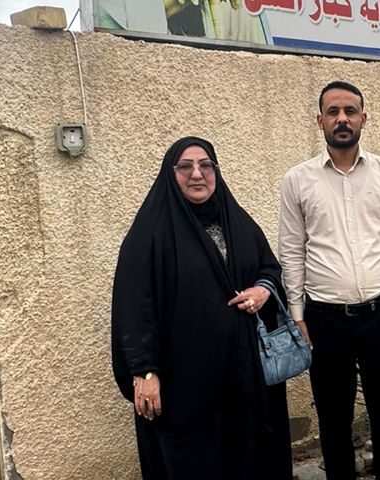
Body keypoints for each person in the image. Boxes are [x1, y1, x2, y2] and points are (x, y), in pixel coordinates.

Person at [110, 136, 292, 480]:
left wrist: (262, 290)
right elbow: (133, 308)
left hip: (243, 379)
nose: (197, 174)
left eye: (206, 165)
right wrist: (145, 372)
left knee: (250, 458)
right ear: (171, 174)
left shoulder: (237, 222)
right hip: (183, 388)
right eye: (185, 166)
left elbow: (269, 267)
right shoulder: (149, 235)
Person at [278, 81, 380, 480]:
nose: (342, 119)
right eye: (333, 112)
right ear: (319, 120)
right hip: (324, 319)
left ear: (363, 118)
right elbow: (291, 252)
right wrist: (296, 315)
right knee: (333, 421)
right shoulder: (297, 180)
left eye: (350, 111)